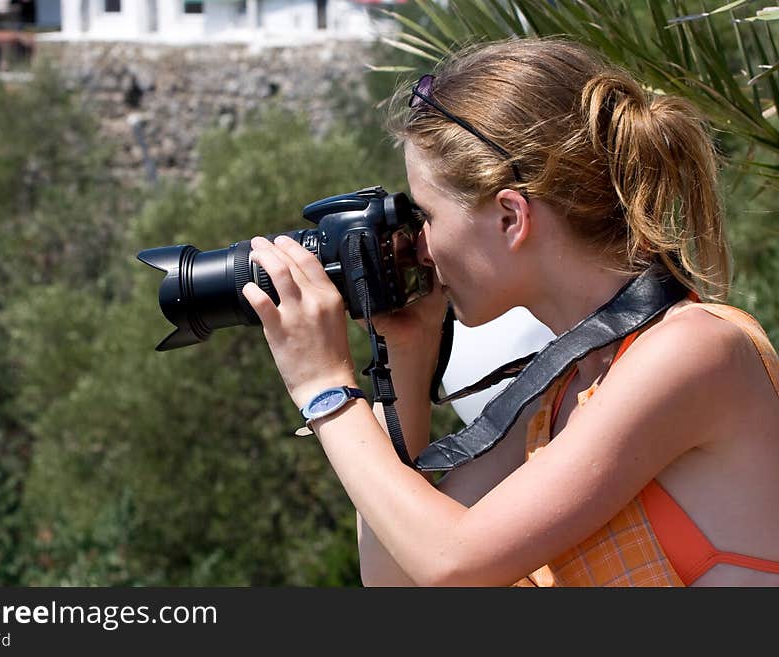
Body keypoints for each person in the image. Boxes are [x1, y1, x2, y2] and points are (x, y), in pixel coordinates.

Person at [241, 37, 779, 586]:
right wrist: (408, 354)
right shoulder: (553, 402)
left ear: (510, 218)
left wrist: (325, 389)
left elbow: (451, 561)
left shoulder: (695, 351)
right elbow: (396, 580)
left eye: (425, 215)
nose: (418, 248)